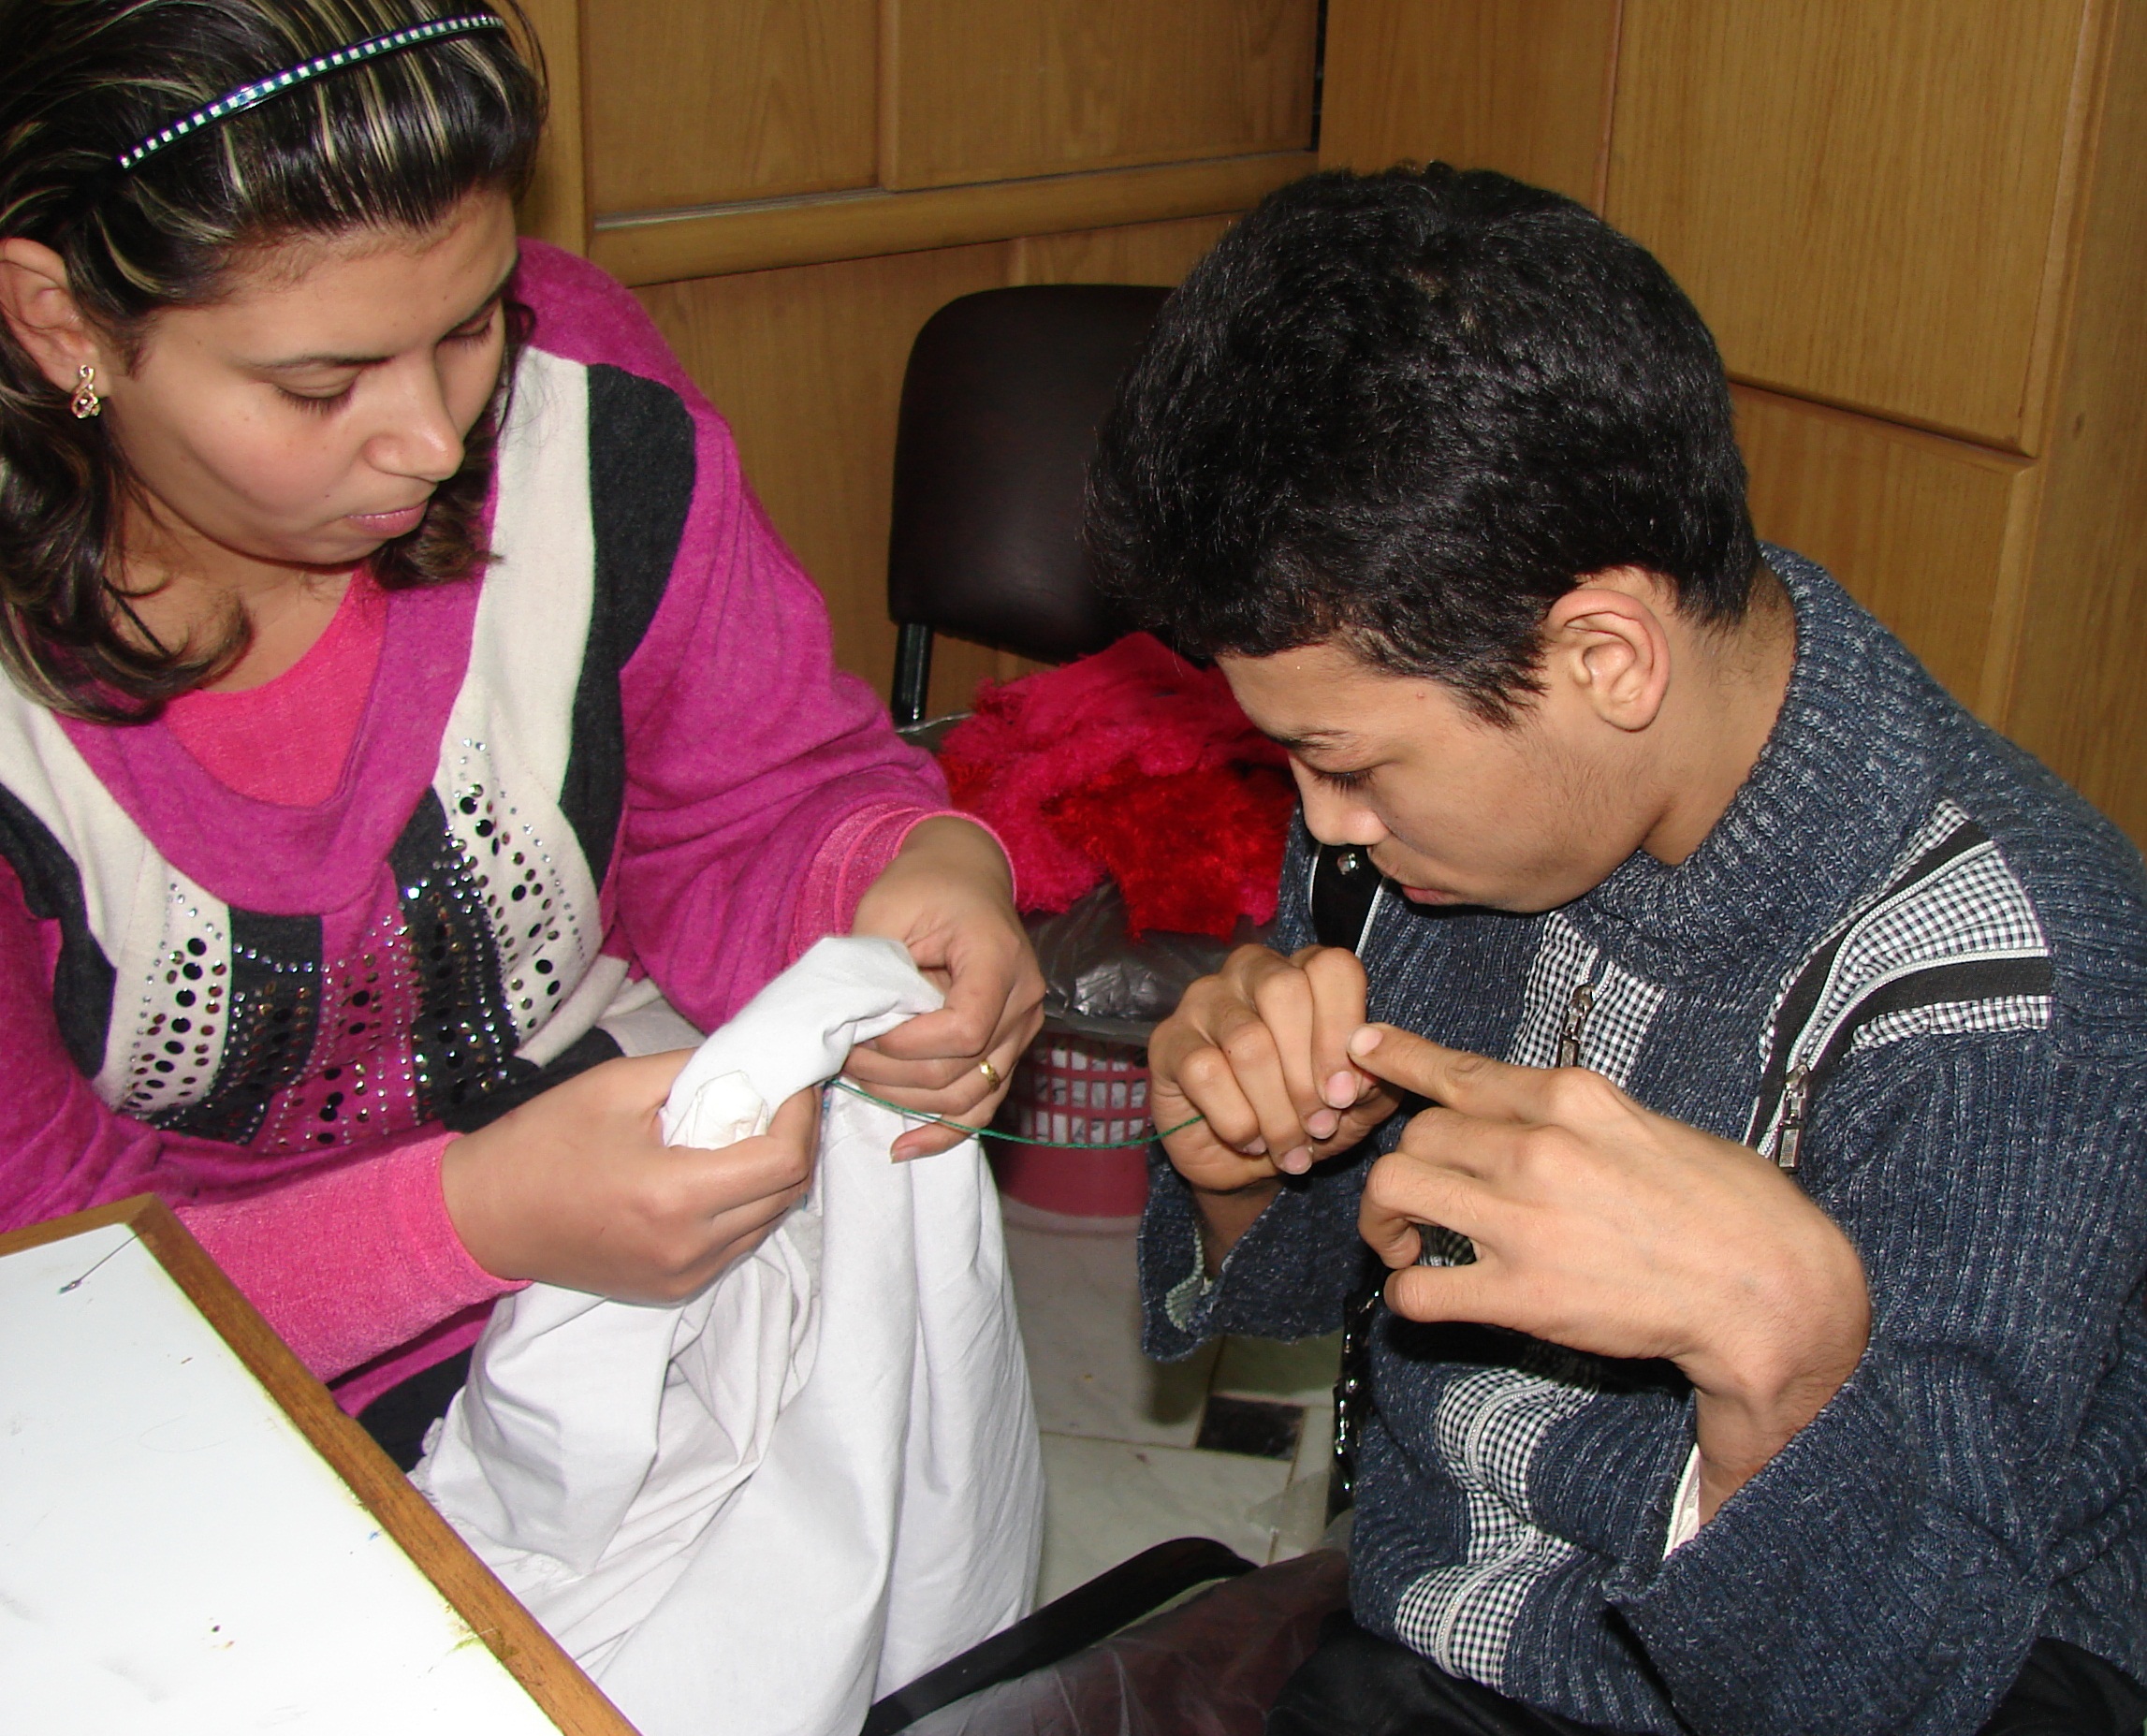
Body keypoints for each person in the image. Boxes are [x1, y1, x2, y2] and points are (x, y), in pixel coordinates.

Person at [1085, 166, 2147, 1735]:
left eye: (1346, 761)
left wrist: (1782, 1375)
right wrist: (1248, 1157)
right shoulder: (1427, 816)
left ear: (1603, 656)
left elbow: (1903, 1685)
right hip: (1463, 1633)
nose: (1321, 824)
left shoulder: (2011, 980)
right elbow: (1321, 1280)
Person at [0, 0, 1042, 1464]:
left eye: (472, 324)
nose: (433, 440)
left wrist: (903, 870)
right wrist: (468, 1221)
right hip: (174, 1351)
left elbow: (746, 801)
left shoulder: (582, 404)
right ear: (60, 324)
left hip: (628, 1218)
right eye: (320, 385)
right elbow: (47, 1273)